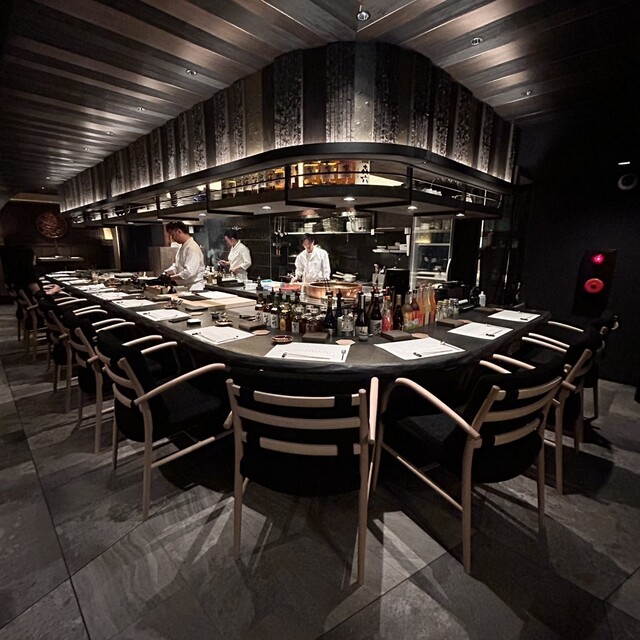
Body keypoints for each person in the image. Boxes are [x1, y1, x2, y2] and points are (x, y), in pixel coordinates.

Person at [163, 221, 205, 291]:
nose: (172, 238)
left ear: (179, 231)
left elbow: (189, 272)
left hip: (194, 287)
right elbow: (177, 266)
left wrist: (171, 278)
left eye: (172, 235)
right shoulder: (182, 247)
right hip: (184, 287)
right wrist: (166, 273)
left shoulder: (192, 247)